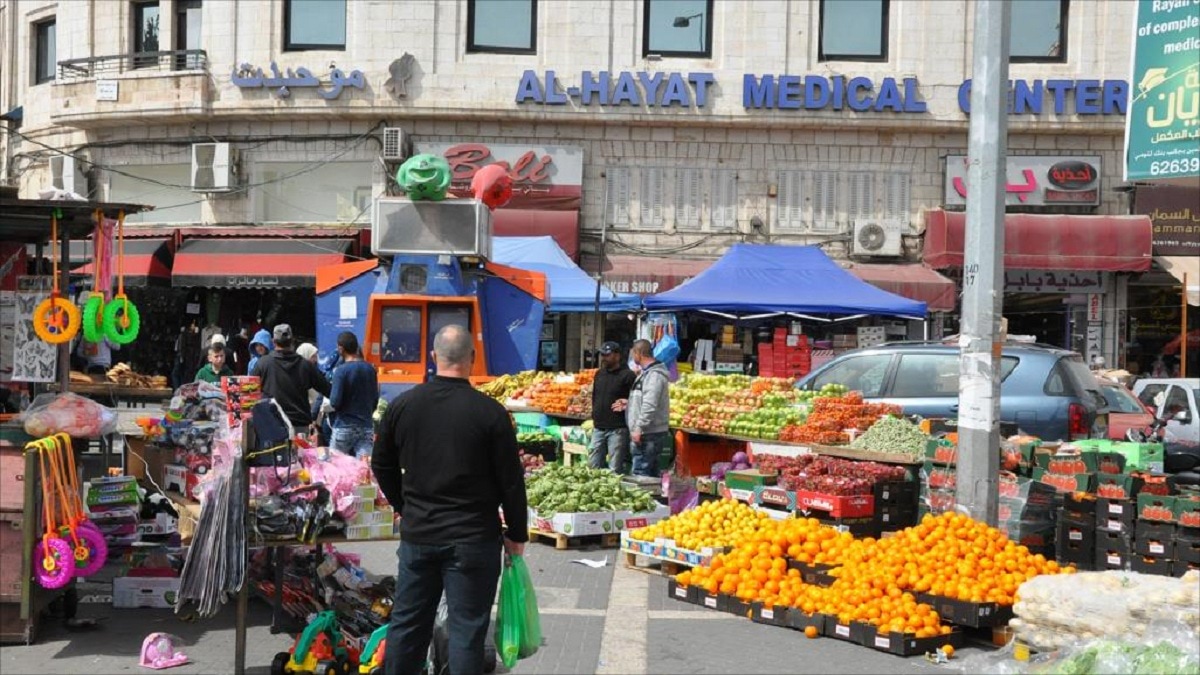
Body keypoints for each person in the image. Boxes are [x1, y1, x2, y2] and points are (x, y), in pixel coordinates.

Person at [372, 325, 527, 675]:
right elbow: (512, 482)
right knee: (467, 630)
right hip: (474, 538)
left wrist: (403, 506)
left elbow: (380, 462)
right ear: (472, 358)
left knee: (408, 624)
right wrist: (517, 533)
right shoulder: (491, 413)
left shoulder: (403, 406)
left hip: (420, 534)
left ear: (433, 357)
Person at [251, 324, 331, 432]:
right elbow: (328, 390)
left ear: (274, 342)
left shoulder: (263, 363)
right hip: (300, 428)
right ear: (292, 341)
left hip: (272, 427)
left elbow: (248, 392)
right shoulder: (305, 365)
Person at [326, 332, 379, 459]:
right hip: (366, 425)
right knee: (363, 469)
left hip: (344, 425)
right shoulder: (370, 369)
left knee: (337, 467)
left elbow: (335, 401)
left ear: (340, 348)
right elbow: (375, 400)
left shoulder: (341, 371)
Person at [626, 338, 671, 478]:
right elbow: (644, 399)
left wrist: (638, 428)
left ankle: (644, 499)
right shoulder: (646, 374)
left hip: (649, 433)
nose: (633, 358)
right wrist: (629, 403)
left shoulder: (654, 375)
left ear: (639, 353)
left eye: (633, 354)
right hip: (647, 432)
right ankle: (653, 499)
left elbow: (650, 405)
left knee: (641, 473)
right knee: (650, 473)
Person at [589, 341, 636, 474]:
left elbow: (637, 399)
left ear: (617, 356)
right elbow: (595, 396)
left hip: (617, 428)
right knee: (593, 465)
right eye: (602, 355)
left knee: (614, 468)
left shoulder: (628, 375)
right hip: (598, 427)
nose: (604, 358)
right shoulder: (599, 374)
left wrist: (627, 402)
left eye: (607, 355)